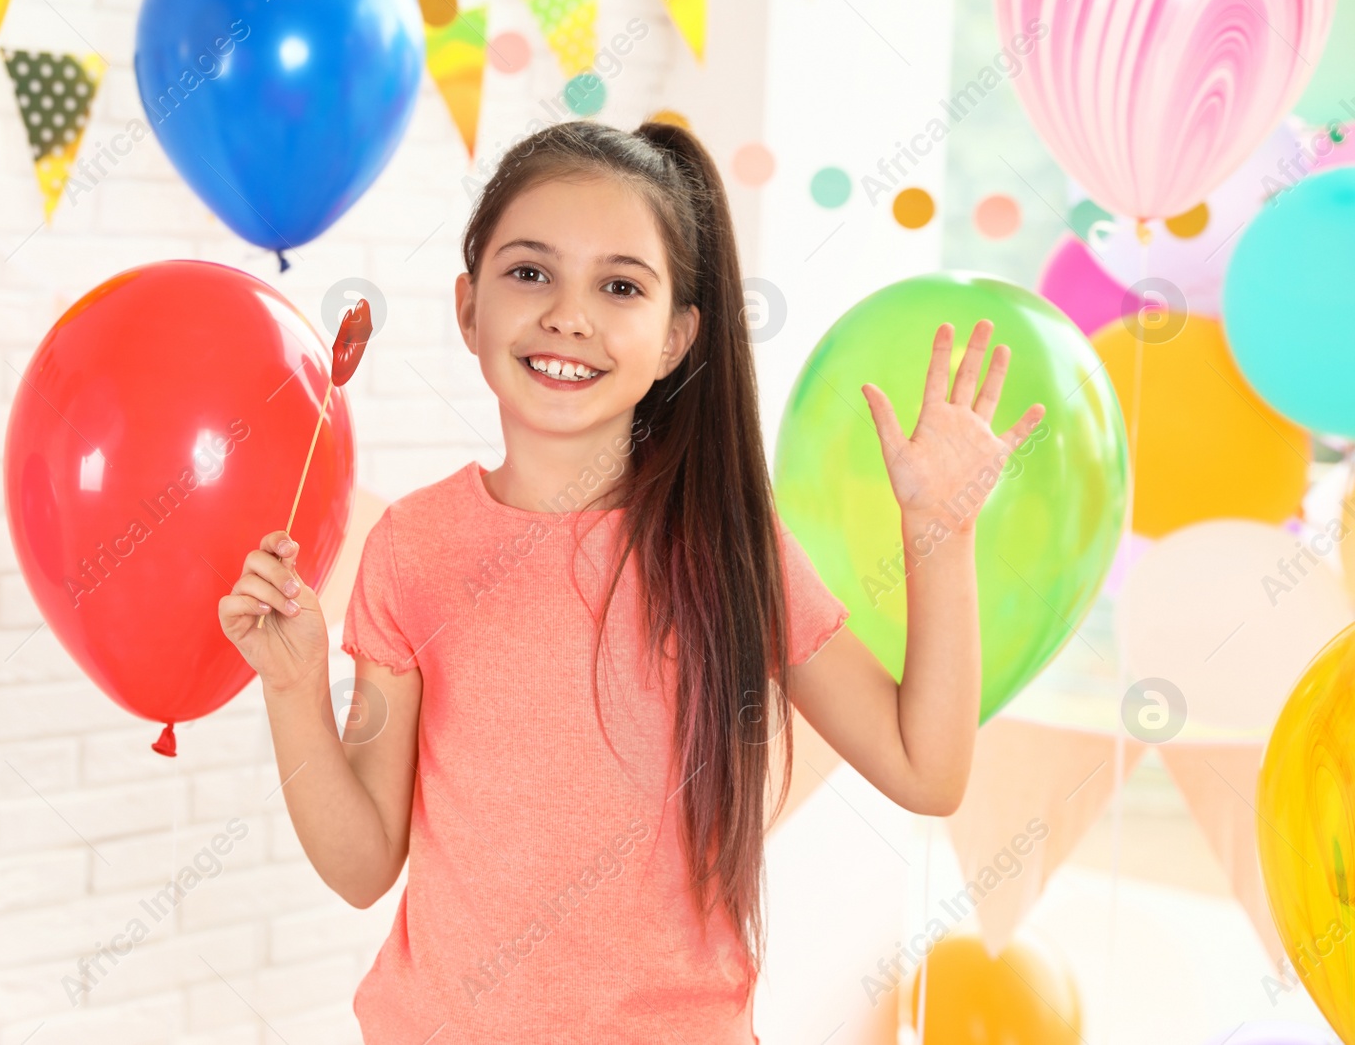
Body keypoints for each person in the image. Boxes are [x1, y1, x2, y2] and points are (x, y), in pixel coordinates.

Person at [218, 119, 1045, 1044]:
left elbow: (927, 769)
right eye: (530, 272)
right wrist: (291, 687)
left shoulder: (729, 545)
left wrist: (939, 535)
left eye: (620, 286)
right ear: (468, 307)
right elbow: (364, 863)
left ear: (676, 338)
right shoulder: (415, 548)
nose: (569, 315)